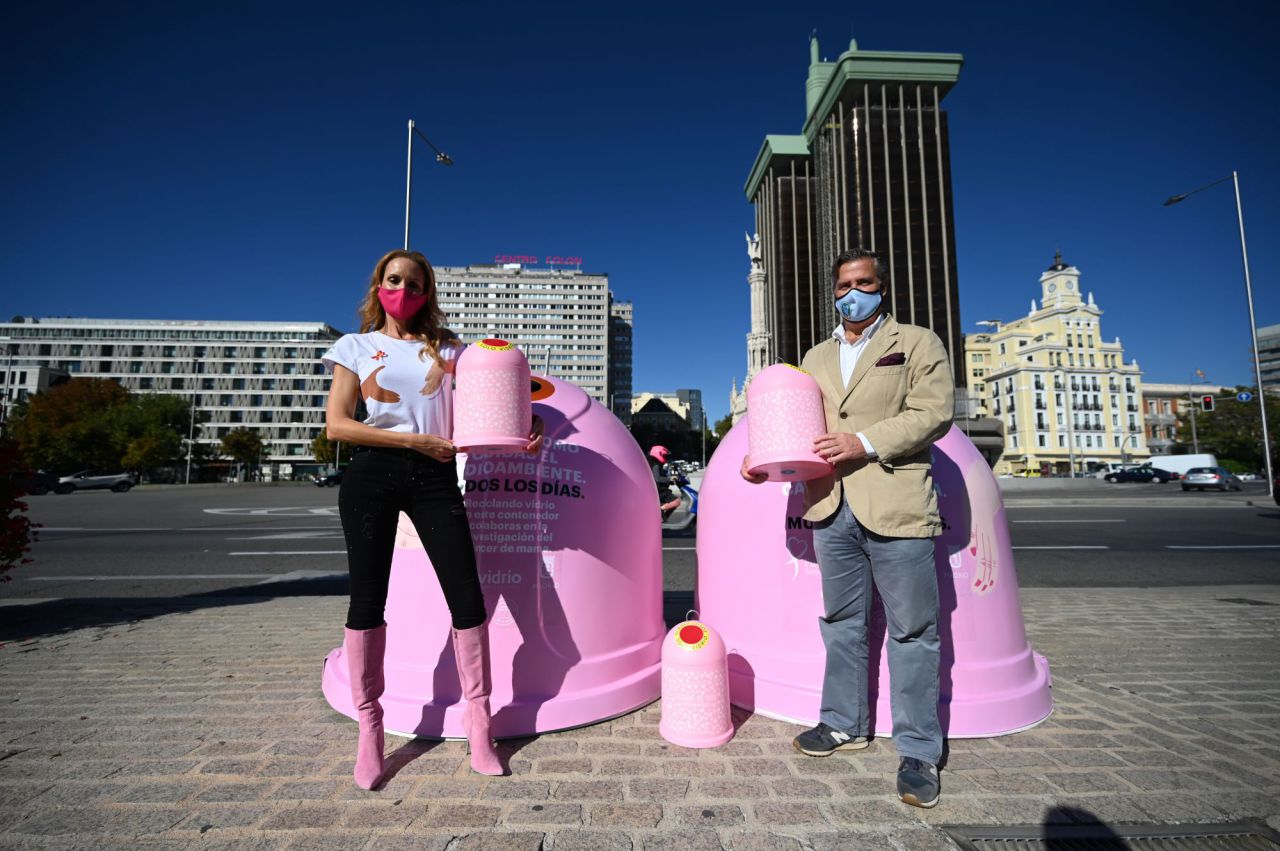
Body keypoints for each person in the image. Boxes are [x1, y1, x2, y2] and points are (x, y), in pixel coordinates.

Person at [740, 248, 953, 808]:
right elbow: (791, 418)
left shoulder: (916, 342)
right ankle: (843, 723)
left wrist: (864, 441)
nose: (852, 293)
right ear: (833, 294)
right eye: (842, 286)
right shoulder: (814, 357)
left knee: (912, 631)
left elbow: (934, 413)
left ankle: (918, 751)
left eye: (863, 283)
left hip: (897, 504)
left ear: (883, 287)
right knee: (842, 623)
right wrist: (760, 454)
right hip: (830, 507)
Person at [324, 248, 542, 789]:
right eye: (394, 280)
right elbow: (337, 426)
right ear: (379, 286)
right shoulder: (357, 346)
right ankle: (370, 727)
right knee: (367, 599)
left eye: (415, 283)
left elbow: (496, 397)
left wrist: (527, 428)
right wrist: (413, 439)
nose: (404, 290)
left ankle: (478, 721)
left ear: (428, 293)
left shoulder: (448, 351)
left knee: (467, 598)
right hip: (371, 474)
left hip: (435, 478)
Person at [649, 445, 681, 517]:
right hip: (659, 490)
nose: (666, 458)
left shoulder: (654, 463)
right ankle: (660, 511)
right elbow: (657, 478)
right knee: (677, 501)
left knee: (672, 502)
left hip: (658, 490)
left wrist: (670, 480)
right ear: (659, 454)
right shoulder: (656, 465)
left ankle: (662, 517)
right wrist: (670, 479)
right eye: (665, 456)